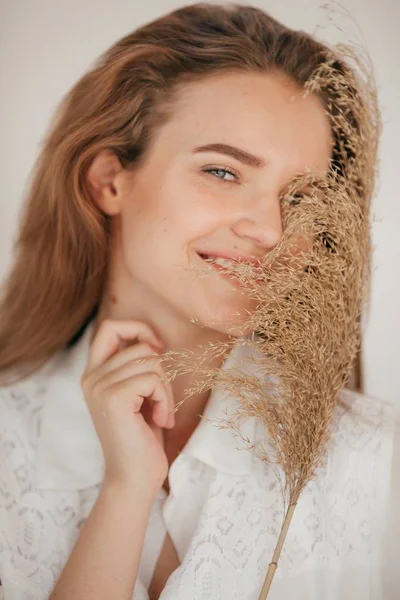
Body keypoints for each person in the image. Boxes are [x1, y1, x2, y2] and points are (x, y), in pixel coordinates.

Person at [0, 3, 398, 599]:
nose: (269, 229)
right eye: (223, 172)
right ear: (109, 180)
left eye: (301, 198)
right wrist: (126, 491)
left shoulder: (376, 461)